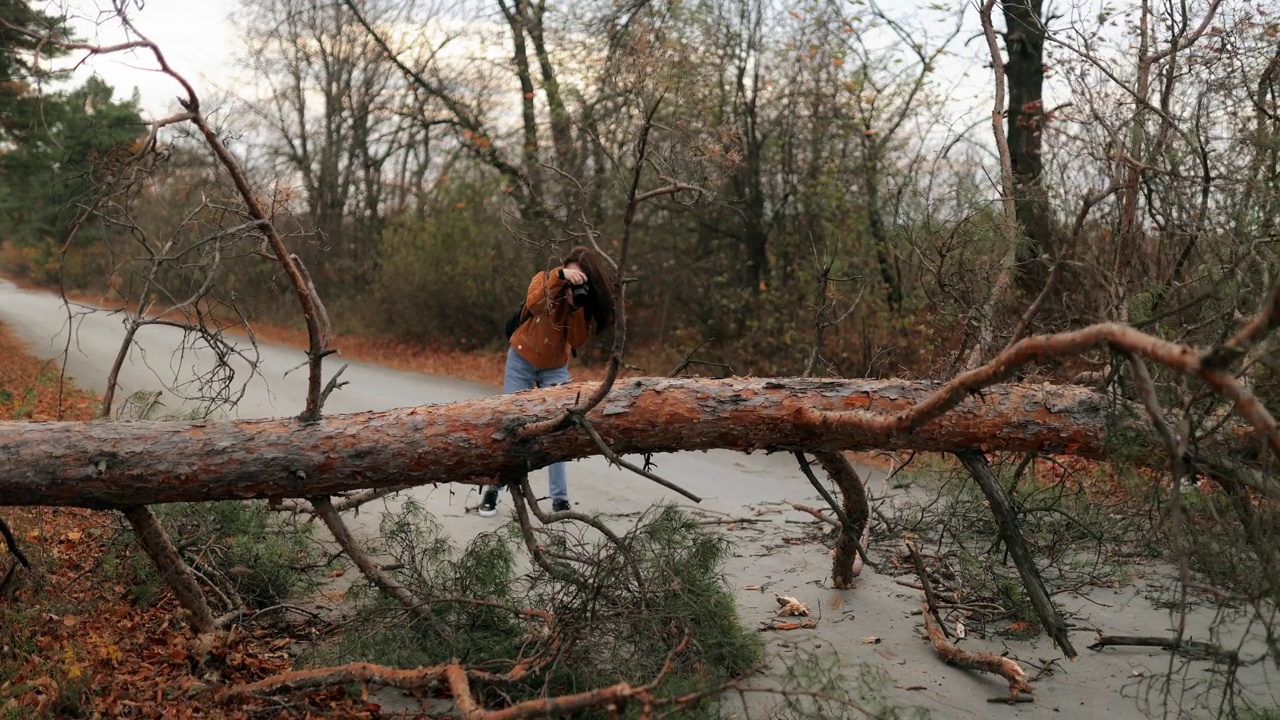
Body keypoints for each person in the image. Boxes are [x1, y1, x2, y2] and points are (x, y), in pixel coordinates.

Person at [479, 245, 616, 517]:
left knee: (560, 430)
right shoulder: (544, 279)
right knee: (510, 425)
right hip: (521, 358)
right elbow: (535, 304)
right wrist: (560, 278)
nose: (573, 284)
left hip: (555, 367)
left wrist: (576, 307)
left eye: (580, 279)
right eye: (571, 275)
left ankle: (560, 499)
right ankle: (493, 489)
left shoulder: (580, 305)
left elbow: (577, 341)